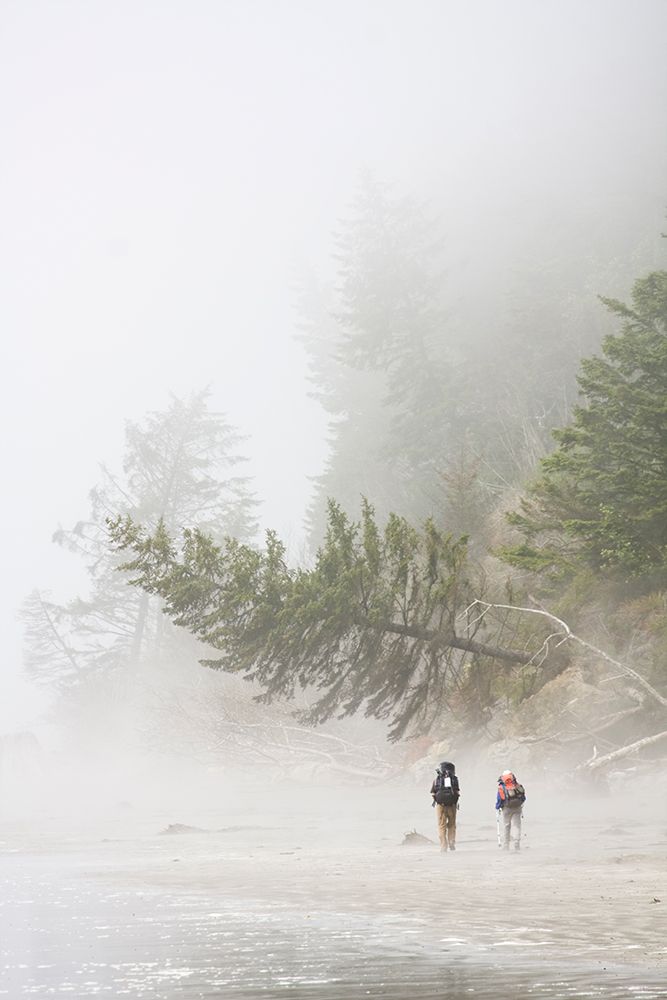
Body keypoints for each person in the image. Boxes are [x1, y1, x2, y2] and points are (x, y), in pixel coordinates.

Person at [430, 760, 460, 852]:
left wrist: (437, 800)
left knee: (441, 825)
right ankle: (451, 842)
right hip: (452, 805)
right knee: (452, 825)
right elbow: (457, 792)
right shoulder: (454, 779)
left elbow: (432, 792)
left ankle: (443, 846)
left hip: (441, 806)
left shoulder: (436, 780)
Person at [496, 769, 526, 851]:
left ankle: (506, 845)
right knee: (517, 826)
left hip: (506, 808)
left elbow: (499, 800)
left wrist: (497, 807)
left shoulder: (501, 787)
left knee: (507, 826)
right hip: (517, 808)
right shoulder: (517, 786)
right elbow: (523, 797)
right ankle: (517, 843)